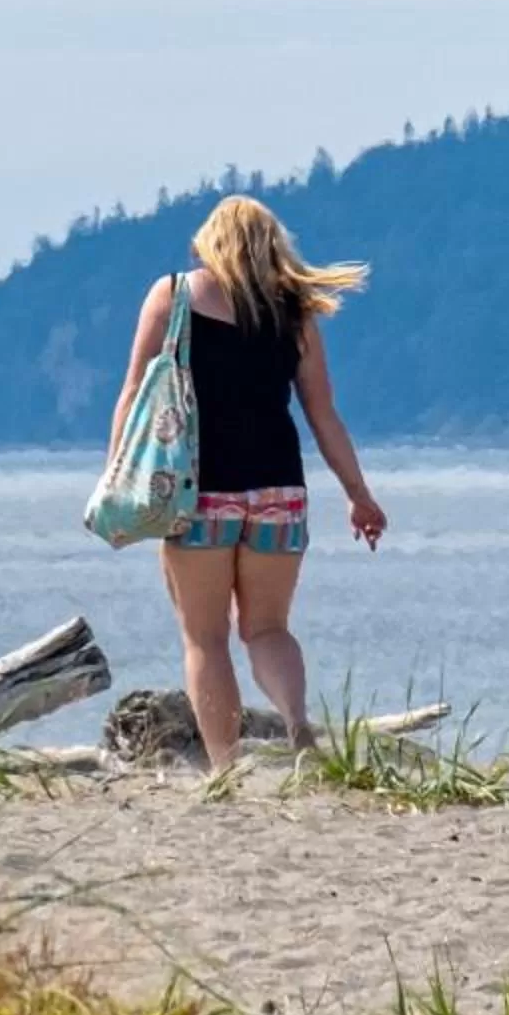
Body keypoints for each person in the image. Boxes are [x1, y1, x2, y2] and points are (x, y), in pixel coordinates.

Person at [108, 195, 386, 771]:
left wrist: (118, 475)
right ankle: (295, 725)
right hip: (279, 492)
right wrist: (359, 495)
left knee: (205, 639)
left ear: (209, 242)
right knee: (268, 629)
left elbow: (134, 392)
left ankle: (225, 769)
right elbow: (323, 413)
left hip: (199, 492)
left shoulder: (174, 295)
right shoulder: (294, 310)